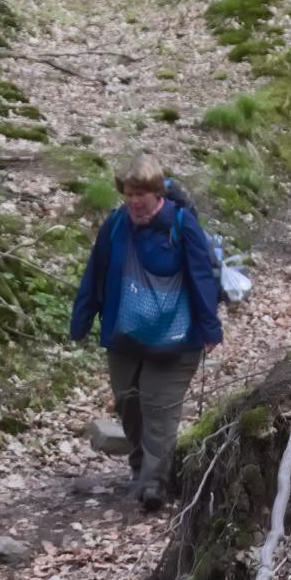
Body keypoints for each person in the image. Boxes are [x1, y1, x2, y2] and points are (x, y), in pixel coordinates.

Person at [67, 160, 223, 512]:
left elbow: (202, 277)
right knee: (128, 402)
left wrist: (210, 327)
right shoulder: (116, 225)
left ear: (158, 194)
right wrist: (82, 318)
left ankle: (155, 483)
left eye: (141, 195)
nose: (134, 202)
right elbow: (96, 271)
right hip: (124, 334)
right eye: (129, 195)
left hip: (176, 337)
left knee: (158, 405)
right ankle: (141, 467)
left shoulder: (182, 225)